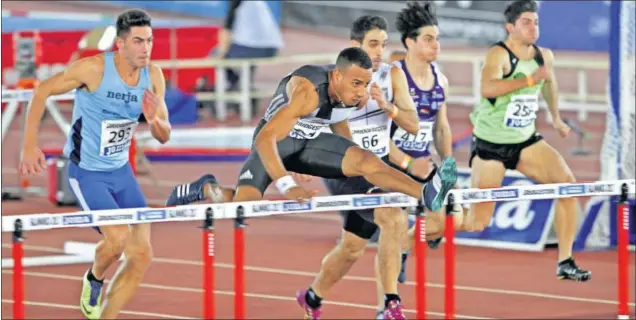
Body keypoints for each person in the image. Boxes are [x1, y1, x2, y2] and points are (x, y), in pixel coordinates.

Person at [19, 9, 172, 319]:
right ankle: (94, 278)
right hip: (87, 173)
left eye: (150, 41)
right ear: (120, 44)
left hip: (122, 172)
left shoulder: (153, 76)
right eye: (138, 41)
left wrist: (154, 118)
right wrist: (28, 145)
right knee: (116, 240)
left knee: (142, 254)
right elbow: (43, 90)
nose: (146, 48)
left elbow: (164, 135)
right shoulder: (93, 69)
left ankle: (106, 316)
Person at [298, 15, 419, 320]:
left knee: (352, 247)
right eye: (372, 45)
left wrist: (387, 106)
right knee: (393, 217)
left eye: (383, 45)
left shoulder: (394, 76)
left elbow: (413, 126)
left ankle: (312, 297)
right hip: (347, 168)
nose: (379, 52)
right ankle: (389, 306)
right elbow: (310, 124)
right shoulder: (334, 79)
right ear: (355, 45)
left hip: (380, 164)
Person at [464, 0, 590, 281]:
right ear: (510, 27)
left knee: (566, 186)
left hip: (525, 141)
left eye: (536, 22)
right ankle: (434, 224)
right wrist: (529, 80)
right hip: (491, 145)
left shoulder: (544, 55)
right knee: (477, 221)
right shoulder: (499, 54)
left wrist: (556, 118)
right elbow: (488, 88)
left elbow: (550, 84)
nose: (533, 27)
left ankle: (565, 261)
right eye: (526, 22)